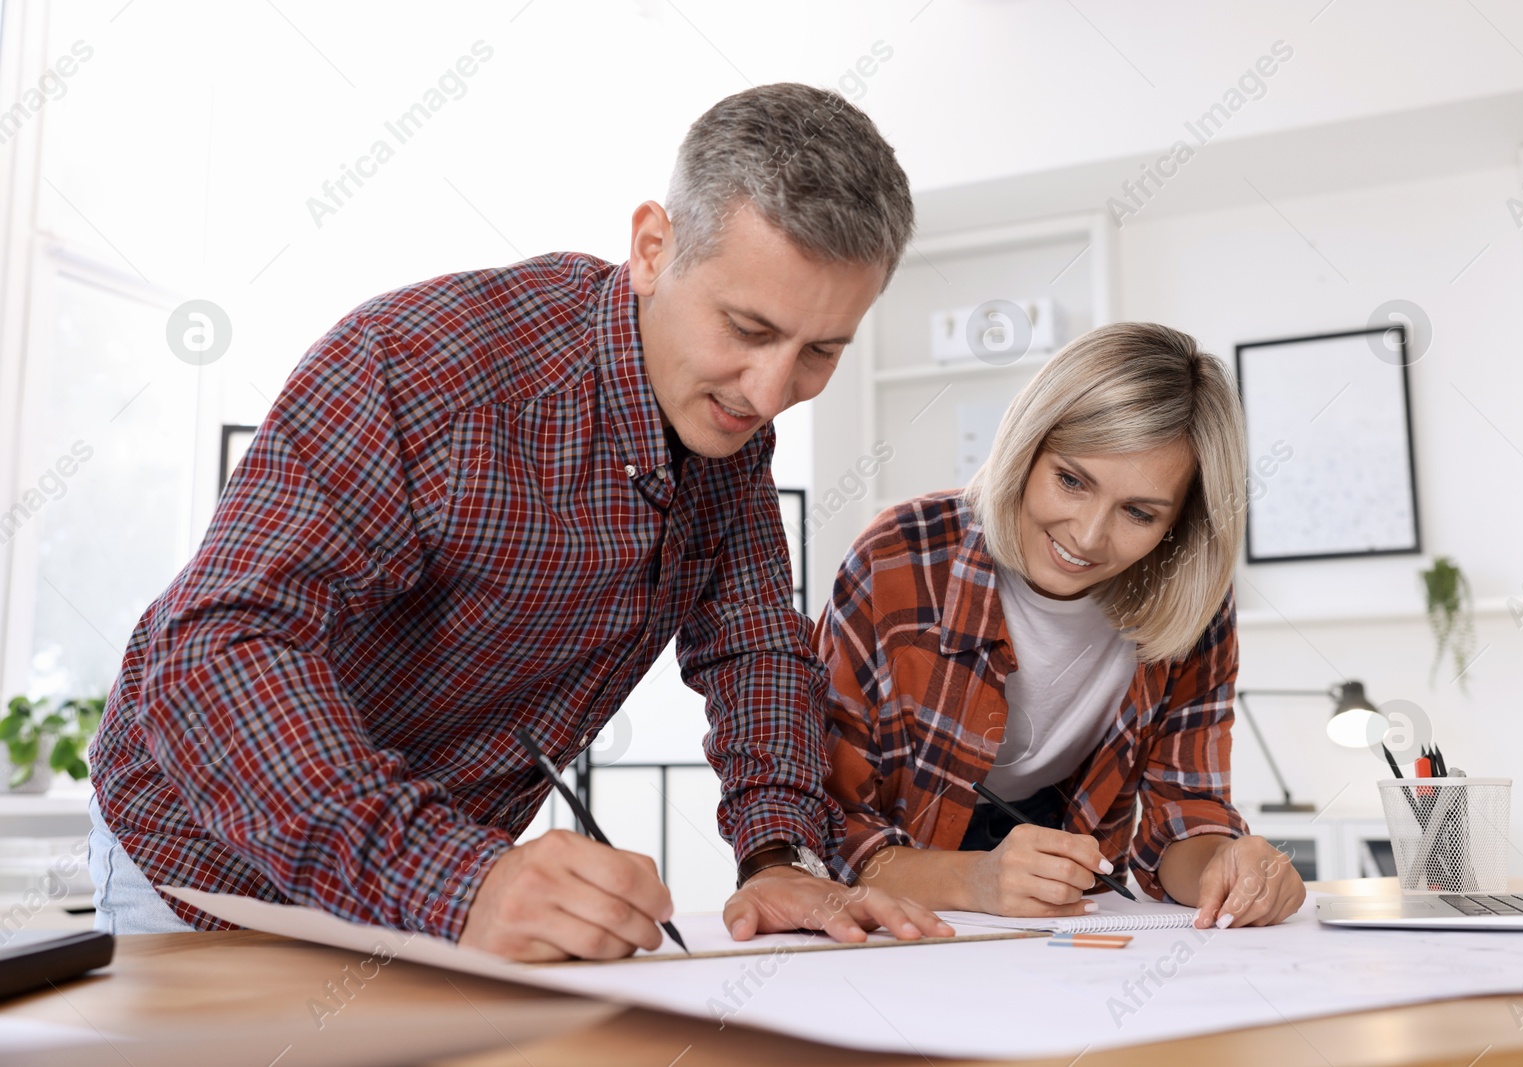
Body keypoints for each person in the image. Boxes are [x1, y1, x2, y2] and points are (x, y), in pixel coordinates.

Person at [87, 82, 954, 960]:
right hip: (207, 873)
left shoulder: (727, 423)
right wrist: (463, 880)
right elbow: (210, 651)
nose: (770, 393)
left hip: (433, 896)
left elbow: (754, 646)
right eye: (745, 327)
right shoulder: (420, 362)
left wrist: (781, 857)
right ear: (654, 248)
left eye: (819, 352)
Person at [818, 322, 1306, 929]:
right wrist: (976, 877)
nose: (1088, 535)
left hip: (1061, 880)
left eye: (1139, 513)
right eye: (1071, 481)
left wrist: (1227, 868)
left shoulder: (1192, 600)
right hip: (907, 872)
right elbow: (826, 832)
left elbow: (1182, 817)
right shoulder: (899, 558)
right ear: (1028, 448)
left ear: (1179, 525)